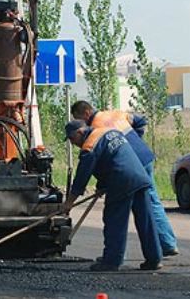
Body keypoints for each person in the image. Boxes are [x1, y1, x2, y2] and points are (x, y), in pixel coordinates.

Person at [71, 100, 179, 256]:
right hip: (144, 157)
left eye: (79, 118)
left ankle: (164, 245)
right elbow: (141, 121)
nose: (80, 122)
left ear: (86, 113)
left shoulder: (95, 128)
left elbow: (101, 159)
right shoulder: (114, 113)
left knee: (132, 205)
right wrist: (136, 140)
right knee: (151, 203)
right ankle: (165, 244)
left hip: (129, 163)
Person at [63, 120, 163, 271]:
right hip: (140, 176)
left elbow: (81, 178)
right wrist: (101, 186)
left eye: (72, 139)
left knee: (114, 220)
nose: (72, 143)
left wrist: (69, 203)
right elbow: (111, 159)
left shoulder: (89, 146)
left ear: (79, 132)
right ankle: (154, 258)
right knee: (146, 221)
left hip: (121, 181)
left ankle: (112, 261)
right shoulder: (108, 132)